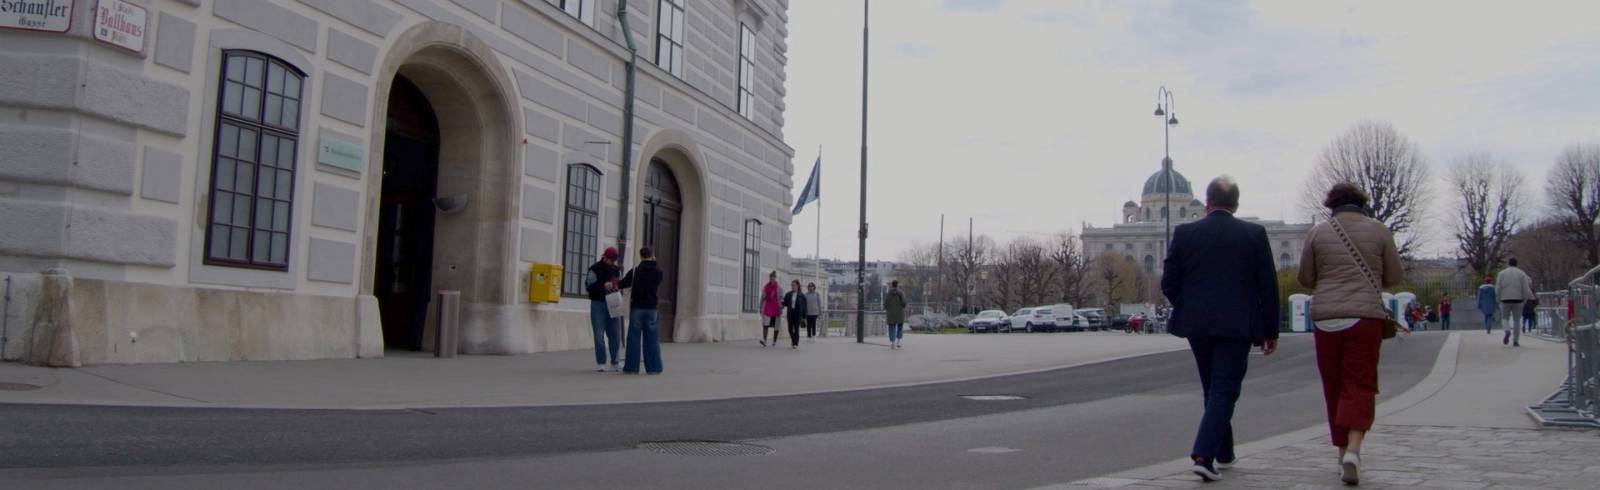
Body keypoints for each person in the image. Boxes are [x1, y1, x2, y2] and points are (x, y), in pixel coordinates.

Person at [1161, 176, 1279, 483]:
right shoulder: (1253, 234)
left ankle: (1223, 452)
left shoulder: (1186, 233)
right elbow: (1268, 286)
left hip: (1197, 324)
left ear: (1207, 202)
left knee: (1213, 387)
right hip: (1238, 324)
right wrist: (1271, 330)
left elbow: (1169, 283)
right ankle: (1204, 455)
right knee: (1225, 389)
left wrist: (1188, 305)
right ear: (1236, 205)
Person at [1297, 182, 1403, 486]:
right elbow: (1394, 276)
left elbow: (1306, 278)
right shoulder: (1379, 230)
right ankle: (1354, 449)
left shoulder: (1318, 232)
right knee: (1360, 383)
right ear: (1361, 203)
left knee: (1334, 386)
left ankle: (1341, 451)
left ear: (1331, 204)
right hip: (1364, 317)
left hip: (1326, 318)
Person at [617, 247, 665, 374]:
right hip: (651, 307)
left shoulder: (635, 271)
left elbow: (623, 284)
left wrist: (613, 284)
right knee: (652, 338)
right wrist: (654, 262)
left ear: (641, 256)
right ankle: (654, 367)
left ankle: (632, 367)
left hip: (637, 306)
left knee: (633, 337)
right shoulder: (658, 271)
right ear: (652, 255)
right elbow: (658, 281)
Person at [585, 247, 624, 372]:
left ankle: (615, 362)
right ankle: (601, 362)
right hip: (598, 303)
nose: (612, 263)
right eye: (610, 260)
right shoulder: (595, 268)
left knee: (615, 334)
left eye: (614, 261)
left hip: (613, 302)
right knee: (599, 334)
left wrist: (617, 287)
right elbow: (589, 286)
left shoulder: (616, 269)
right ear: (605, 257)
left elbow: (620, 283)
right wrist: (603, 286)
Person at [1496, 258, 1535, 347]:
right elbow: (1525, 288)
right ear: (1517, 264)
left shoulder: (1501, 274)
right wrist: (1525, 299)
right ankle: (1515, 340)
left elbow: (1498, 288)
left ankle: (1507, 330)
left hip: (1505, 298)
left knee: (1504, 318)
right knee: (1517, 320)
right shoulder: (1522, 274)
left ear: (1508, 264)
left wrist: (1498, 299)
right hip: (1518, 299)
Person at [781, 280, 808, 349]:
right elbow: (785, 303)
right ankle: (793, 340)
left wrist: (804, 317)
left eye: (794, 285)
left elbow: (805, 307)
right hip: (790, 313)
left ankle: (795, 343)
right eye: (792, 285)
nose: (792, 287)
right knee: (789, 329)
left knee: (796, 329)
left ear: (798, 286)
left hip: (798, 314)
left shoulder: (802, 296)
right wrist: (782, 303)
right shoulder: (788, 294)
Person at [883, 280, 908, 349]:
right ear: (897, 285)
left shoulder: (889, 293)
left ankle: (892, 343)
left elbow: (885, 304)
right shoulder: (901, 293)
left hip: (891, 314)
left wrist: (888, 308)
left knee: (891, 328)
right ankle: (898, 342)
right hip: (900, 313)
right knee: (900, 327)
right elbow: (904, 303)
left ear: (892, 285)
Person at [760, 271, 781, 347]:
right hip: (767, 308)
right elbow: (762, 297)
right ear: (769, 278)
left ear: (775, 278)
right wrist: (760, 307)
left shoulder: (779, 288)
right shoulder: (766, 286)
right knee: (765, 324)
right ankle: (764, 340)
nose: (772, 279)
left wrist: (781, 306)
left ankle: (774, 341)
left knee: (776, 326)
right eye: (771, 277)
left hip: (776, 309)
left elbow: (781, 298)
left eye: (773, 277)